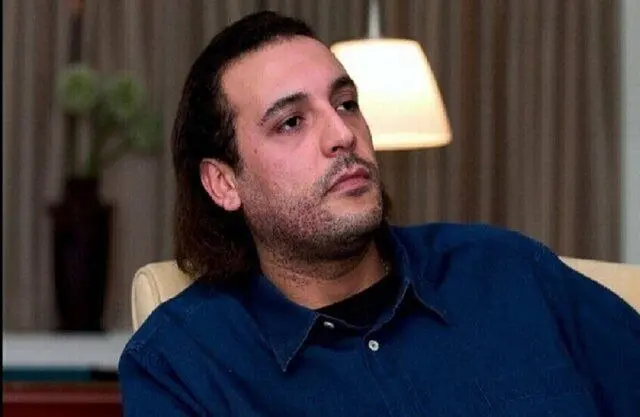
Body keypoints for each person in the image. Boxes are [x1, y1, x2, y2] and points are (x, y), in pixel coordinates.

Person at [118, 10, 640, 417]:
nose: (342, 135)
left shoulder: (508, 271)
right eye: (291, 122)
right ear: (224, 183)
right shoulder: (183, 363)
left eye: (345, 104)